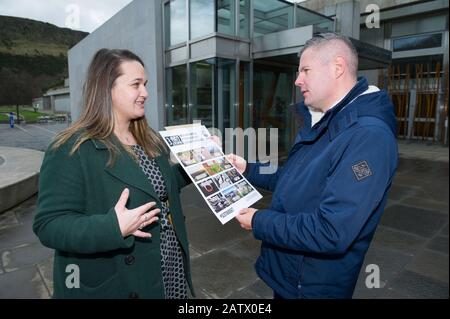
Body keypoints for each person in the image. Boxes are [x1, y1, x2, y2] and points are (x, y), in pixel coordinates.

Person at [228, 33, 398, 299]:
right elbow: (295, 178)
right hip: (292, 274)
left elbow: (332, 230)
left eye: (305, 70)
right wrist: (247, 168)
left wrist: (259, 220)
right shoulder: (326, 121)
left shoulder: (368, 137)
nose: (297, 80)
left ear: (337, 68)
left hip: (312, 285)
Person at [33, 49, 193, 299]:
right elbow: (49, 225)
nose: (146, 93)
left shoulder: (149, 139)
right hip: (119, 280)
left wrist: (197, 166)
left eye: (146, 84)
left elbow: (160, 187)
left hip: (166, 265)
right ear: (107, 87)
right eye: (136, 84)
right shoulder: (70, 148)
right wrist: (112, 227)